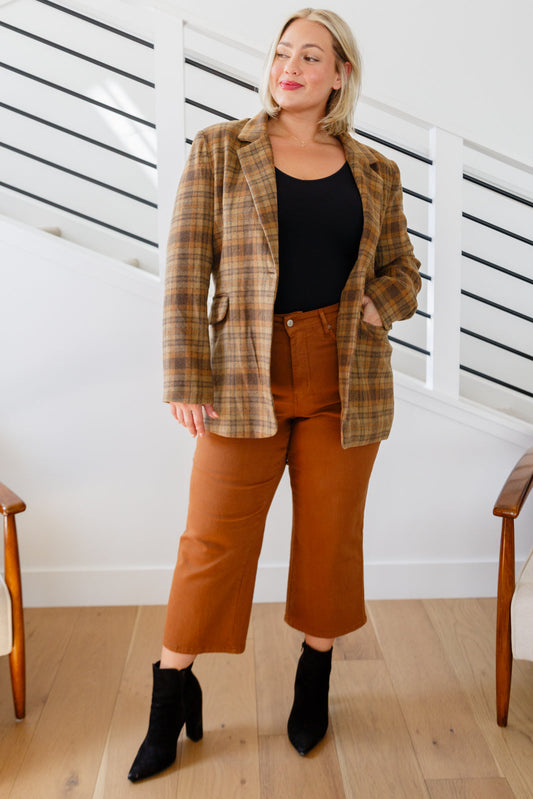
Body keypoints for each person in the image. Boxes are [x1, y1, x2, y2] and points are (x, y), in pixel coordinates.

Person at [128, 7, 421, 782]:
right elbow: (186, 269)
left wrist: (371, 307)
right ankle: (170, 691)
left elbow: (404, 275)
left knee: (329, 538)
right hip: (240, 378)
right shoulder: (222, 149)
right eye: (282, 52)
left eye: (310, 56)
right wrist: (185, 375)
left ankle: (313, 679)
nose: (288, 66)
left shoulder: (375, 172)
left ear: (339, 76)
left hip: (344, 375)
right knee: (211, 542)